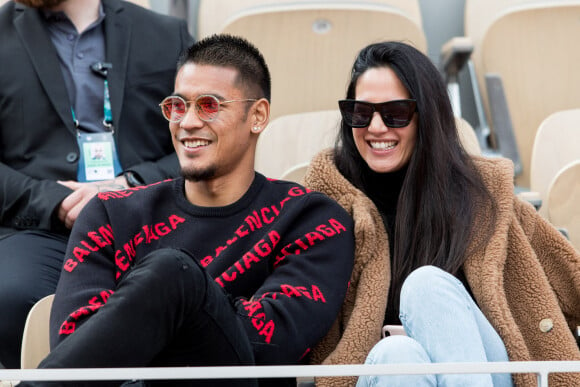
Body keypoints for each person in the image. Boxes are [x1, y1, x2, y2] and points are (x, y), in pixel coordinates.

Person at [17, 34, 354, 387]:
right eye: (177, 105)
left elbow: (270, 345)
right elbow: (77, 347)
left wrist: (170, 304)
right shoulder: (111, 214)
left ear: (257, 115)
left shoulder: (310, 218)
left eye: (209, 105)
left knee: (173, 272)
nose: (188, 122)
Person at [303, 41, 580, 387]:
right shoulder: (325, 211)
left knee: (426, 286)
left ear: (427, 116)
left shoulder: (484, 198)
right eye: (361, 112)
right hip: (381, 376)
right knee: (397, 356)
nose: (375, 127)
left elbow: (571, 277)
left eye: (396, 112)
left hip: (493, 375)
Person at [0, 0, 193, 369]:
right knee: (10, 299)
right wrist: (53, 200)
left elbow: (208, 142)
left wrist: (132, 183)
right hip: (41, 227)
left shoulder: (166, 35)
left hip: (154, 218)